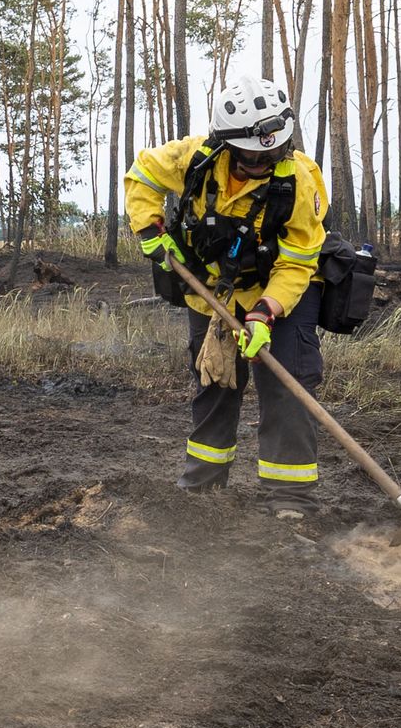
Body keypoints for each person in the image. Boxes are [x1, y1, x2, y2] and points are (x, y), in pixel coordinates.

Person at [127, 74, 329, 519]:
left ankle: (290, 499)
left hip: (281, 293)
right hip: (212, 291)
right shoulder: (194, 159)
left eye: (275, 151)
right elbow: (142, 174)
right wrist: (150, 229)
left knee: (287, 387)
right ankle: (202, 489)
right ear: (228, 145)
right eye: (255, 156)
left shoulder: (300, 181)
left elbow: (297, 262)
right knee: (215, 382)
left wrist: (265, 313)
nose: (267, 161)